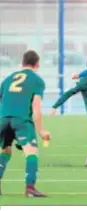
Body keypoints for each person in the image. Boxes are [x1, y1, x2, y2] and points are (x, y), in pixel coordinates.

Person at [0, 50, 50, 197]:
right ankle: (30, 188)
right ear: (37, 64)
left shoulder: (8, 79)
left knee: (5, 151)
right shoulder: (37, 80)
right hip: (21, 120)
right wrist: (41, 130)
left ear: (22, 63)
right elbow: (36, 107)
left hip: (3, 120)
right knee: (31, 152)